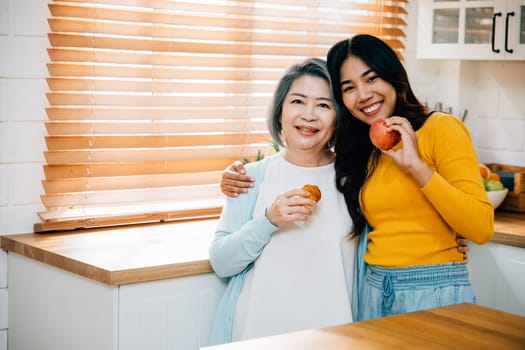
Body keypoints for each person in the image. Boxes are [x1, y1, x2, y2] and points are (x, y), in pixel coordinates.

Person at [219, 34, 489, 321]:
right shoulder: (360, 156)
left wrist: (420, 173)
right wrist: (254, 203)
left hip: (427, 290)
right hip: (371, 292)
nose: (363, 95)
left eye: (371, 79)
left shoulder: (433, 131)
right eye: (349, 88)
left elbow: (477, 225)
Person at [208, 58, 356, 346]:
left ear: (338, 119)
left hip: (334, 337)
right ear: (280, 113)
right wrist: (268, 221)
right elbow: (221, 262)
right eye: (298, 101)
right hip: (257, 335)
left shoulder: (354, 183)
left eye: (324, 105)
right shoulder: (249, 178)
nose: (309, 115)